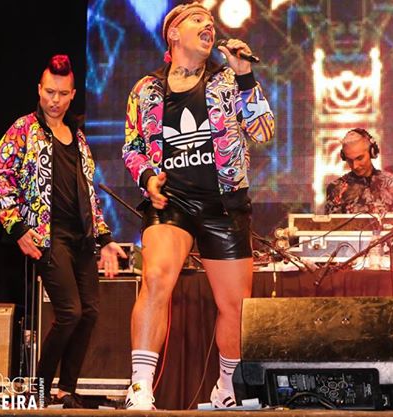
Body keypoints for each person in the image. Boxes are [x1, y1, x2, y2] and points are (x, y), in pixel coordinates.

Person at [122, 1, 274, 410]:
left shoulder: (228, 80)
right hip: (171, 200)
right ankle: (140, 386)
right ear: (174, 33)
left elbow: (263, 130)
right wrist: (147, 177)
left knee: (234, 306)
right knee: (156, 277)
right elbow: (133, 148)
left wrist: (246, 77)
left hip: (222, 203)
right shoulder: (146, 90)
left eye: (210, 21)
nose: (208, 25)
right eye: (197, 19)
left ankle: (225, 389)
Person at [0, 54, 127, 408]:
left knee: (90, 312)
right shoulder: (23, 129)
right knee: (69, 313)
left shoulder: (78, 138)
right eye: (50, 92)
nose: (55, 100)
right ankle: (37, 390)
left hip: (81, 238)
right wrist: (17, 227)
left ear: (72, 95)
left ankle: (66, 390)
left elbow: (89, 195)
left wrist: (105, 239)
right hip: (48, 237)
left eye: (63, 94)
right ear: (39, 89)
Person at [325, 128, 393, 214]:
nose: (355, 166)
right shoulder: (336, 189)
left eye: (359, 158)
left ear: (372, 152)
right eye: (350, 160)